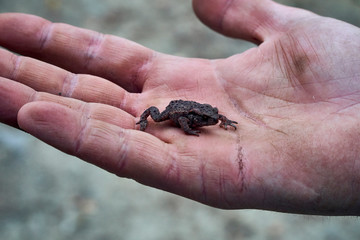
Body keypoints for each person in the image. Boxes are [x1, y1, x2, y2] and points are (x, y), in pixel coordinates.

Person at [0, 0, 359, 216]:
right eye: (206, 119)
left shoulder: (209, 114)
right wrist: (156, 122)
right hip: (172, 108)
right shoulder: (185, 118)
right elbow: (186, 121)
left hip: (191, 105)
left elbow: (209, 115)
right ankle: (142, 121)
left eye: (208, 119)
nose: (207, 121)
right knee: (154, 118)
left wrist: (221, 119)